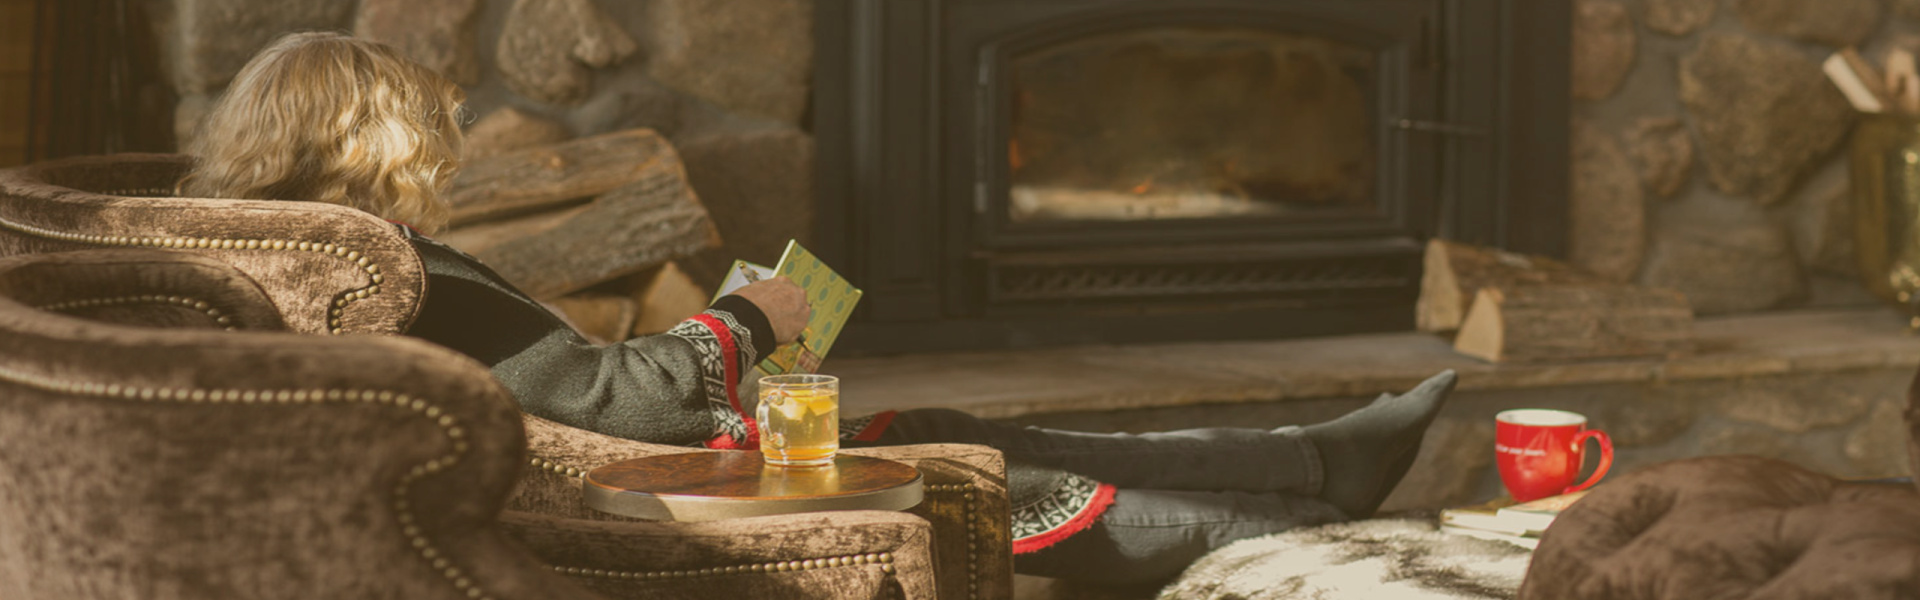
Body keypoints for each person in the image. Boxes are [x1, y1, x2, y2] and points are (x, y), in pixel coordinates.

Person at [179, 32, 1458, 586]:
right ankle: (1291, 531)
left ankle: (1310, 458)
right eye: (427, 134)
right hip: (623, 496)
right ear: (376, 139)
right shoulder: (383, 268)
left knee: (950, 423)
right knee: (964, 474)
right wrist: (754, 314)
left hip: (588, 465)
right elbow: (621, 405)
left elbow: (552, 386)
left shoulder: (282, 249)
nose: (445, 157)